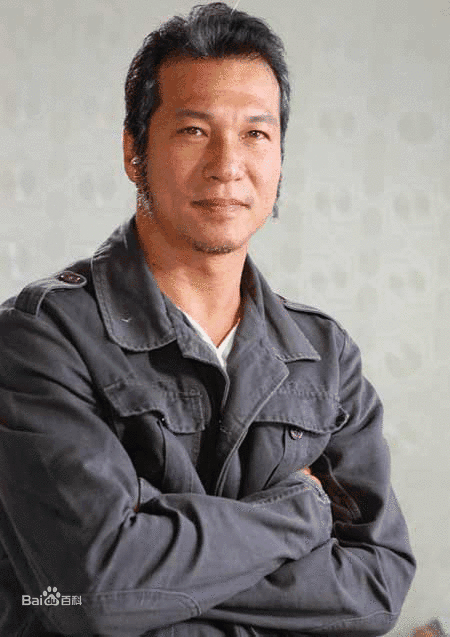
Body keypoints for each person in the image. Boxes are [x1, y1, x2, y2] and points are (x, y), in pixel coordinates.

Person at [0, 3, 415, 636]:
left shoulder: (325, 356)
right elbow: (91, 592)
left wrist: (159, 574)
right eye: (194, 130)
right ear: (134, 152)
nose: (227, 165)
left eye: (256, 134)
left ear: (280, 158)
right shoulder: (40, 338)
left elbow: (377, 588)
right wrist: (301, 513)